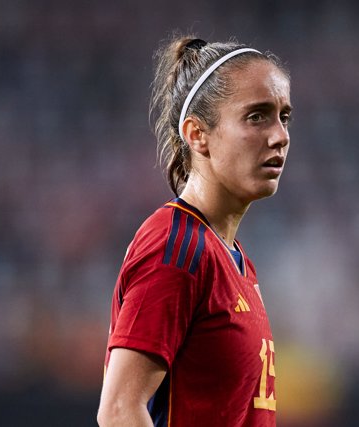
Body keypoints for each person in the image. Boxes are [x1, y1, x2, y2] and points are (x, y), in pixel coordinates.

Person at [97, 35, 292, 427]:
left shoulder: (234, 260)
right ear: (197, 134)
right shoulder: (177, 245)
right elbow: (119, 411)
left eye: (283, 117)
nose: (279, 136)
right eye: (256, 116)